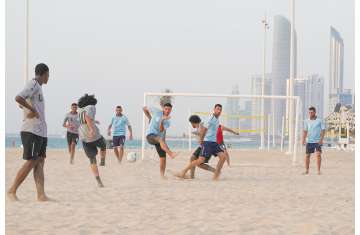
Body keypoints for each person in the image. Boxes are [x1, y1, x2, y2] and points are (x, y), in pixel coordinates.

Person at [7, 63, 50, 201]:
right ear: (44, 73)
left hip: (41, 131)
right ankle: (12, 190)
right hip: (31, 130)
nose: (49, 77)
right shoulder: (33, 84)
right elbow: (19, 98)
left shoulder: (38, 88)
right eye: (48, 74)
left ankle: (41, 195)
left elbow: (22, 103)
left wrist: (28, 108)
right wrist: (31, 110)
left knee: (40, 161)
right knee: (32, 160)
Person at [176, 104, 227, 181]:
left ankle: (216, 175)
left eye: (220, 109)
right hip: (208, 143)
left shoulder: (216, 120)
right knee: (199, 161)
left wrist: (200, 139)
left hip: (213, 143)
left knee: (223, 157)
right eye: (217, 109)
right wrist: (201, 140)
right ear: (214, 109)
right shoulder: (211, 119)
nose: (219, 111)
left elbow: (203, 130)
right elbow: (204, 130)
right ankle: (184, 172)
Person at [78, 94, 106, 187]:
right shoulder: (91, 106)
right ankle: (102, 160)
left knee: (92, 159)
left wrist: (94, 121)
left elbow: (85, 119)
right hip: (93, 135)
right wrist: (91, 129)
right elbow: (87, 117)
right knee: (103, 144)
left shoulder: (79, 109)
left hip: (83, 136)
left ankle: (98, 181)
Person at [143, 103, 177, 179]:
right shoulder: (156, 111)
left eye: (169, 110)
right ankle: (171, 154)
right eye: (166, 109)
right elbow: (144, 108)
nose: (168, 111)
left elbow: (161, 130)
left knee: (163, 158)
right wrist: (150, 117)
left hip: (159, 140)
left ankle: (162, 175)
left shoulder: (167, 122)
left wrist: (162, 121)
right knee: (160, 139)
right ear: (163, 109)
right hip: (150, 136)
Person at [187, 115, 216, 179]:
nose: (191, 125)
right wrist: (195, 132)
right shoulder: (199, 126)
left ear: (193, 122)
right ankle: (192, 176)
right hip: (201, 146)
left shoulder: (201, 125)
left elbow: (203, 133)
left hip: (206, 146)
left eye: (191, 123)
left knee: (199, 164)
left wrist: (196, 133)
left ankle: (216, 171)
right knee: (192, 158)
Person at [302, 106, 325, 175]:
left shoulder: (320, 120)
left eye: (311, 112)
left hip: (317, 141)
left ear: (315, 112)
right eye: (309, 112)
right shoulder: (306, 121)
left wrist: (321, 140)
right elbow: (305, 131)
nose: (310, 114)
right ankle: (307, 170)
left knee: (318, 155)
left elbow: (323, 130)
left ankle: (318, 171)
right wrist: (303, 140)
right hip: (309, 141)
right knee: (307, 156)